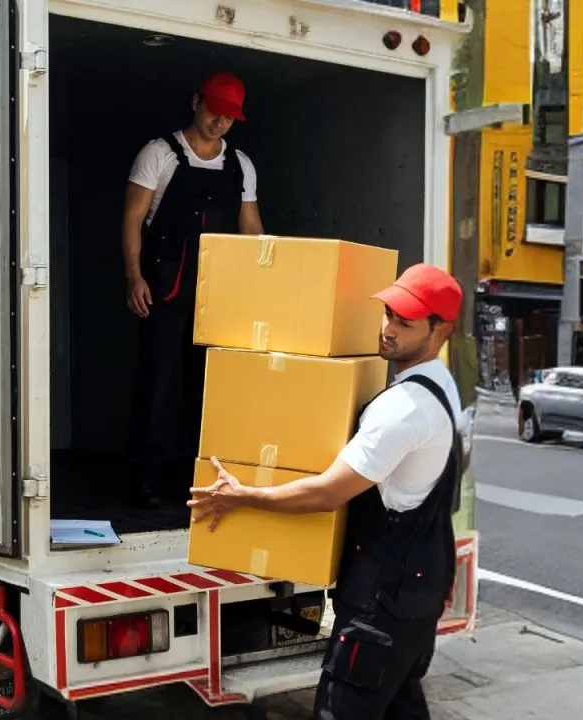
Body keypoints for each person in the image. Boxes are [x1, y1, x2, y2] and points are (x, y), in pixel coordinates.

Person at [188, 263, 465, 719]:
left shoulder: (403, 409)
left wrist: (241, 495)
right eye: (388, 314)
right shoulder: (443, 388)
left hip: (382, 604)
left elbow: (327, 493)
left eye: (405, 322)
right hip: (417, 595)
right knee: (400, 708)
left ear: (441, 331)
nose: (388, 329)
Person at [122, 71, 264, 508]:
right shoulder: (159, 154)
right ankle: (144, 478)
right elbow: (132, 219)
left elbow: (251, 229)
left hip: (219, 298)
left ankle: (198, 477)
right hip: (164, 290)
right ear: (196, 101)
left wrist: (265, 284)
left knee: (208, 388)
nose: (220, 122)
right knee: (158, 383)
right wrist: (134, 277)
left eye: (229, 117)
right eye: (214, 111)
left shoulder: (240, 164)